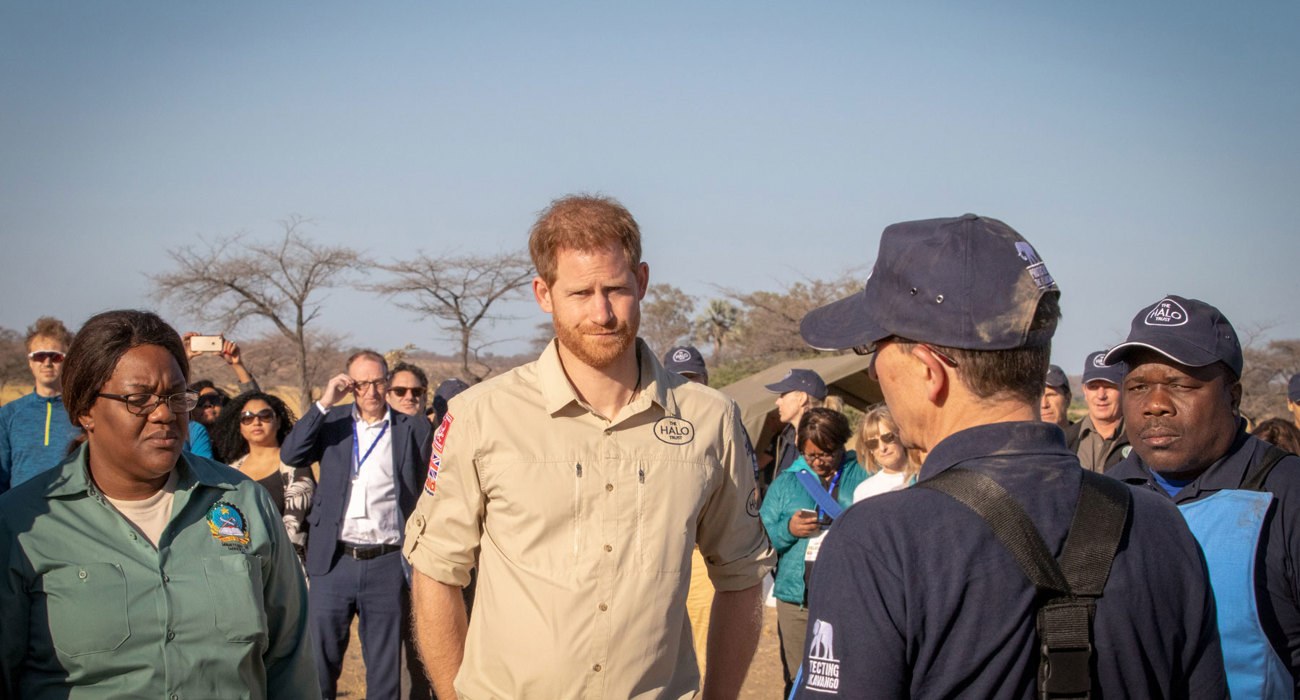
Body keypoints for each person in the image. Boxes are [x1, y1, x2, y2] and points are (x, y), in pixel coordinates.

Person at [794, 214, 1225, 698]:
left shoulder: (878, 540)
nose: (872, 371)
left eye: (874, 346)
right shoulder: (1160, 525)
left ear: (928, 369)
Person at [404, 194, 774, 700]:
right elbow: (437, 572)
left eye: (617, 289)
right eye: (580, 293)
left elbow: (741, 574)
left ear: (642, 281)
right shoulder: (480, 416)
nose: (601, 313)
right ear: (543, 293)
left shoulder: (711, 419)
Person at [0, 309, 316, 698]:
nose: (164, 414)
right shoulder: (23, 524)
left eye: (175, 397)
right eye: (139, 399)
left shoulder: (243, 502)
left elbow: (290, 663)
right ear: (85, 410)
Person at [1105, 295, 1300, 698]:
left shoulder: (1286, 493)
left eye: (1180, 384)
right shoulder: (1103, 497)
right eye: (1138, 386)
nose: (1155, 405)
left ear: (1233, 395)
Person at [280, 349, 434, 700]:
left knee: (384, 672)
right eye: (362, 383)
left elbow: (430, 485)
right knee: (320, 665)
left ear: (387, 381)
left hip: (387, 563)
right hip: (333, 560)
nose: (371, 391)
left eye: (378, 382)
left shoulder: (412, 428)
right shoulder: (332, 421)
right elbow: (291, 454)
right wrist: (323, 402)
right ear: (350, 385)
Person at [759, 407, 865, 698]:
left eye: (826, 454)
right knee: (798, 680)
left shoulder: (864, 475)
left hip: (852, 599)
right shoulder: (786, 483)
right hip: (796, 602)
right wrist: (788, 529)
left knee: (849, 680)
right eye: (810, 455)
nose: (818, 462)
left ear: (842, 443)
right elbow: (761, 541)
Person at [662, 344, 715, 680]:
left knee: (705, 648)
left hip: (703, 557)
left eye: (693, 379)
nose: (688, 388)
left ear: (706, 379)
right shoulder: (645, 428)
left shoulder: (724, 423)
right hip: (658, 556)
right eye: (678, 380)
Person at [211, 391, 315, 562]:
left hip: (287, 566)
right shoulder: (231, 471)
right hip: (242, 568)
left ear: (278, 421)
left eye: (265, 415)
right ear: (240, 425)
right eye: (247, 417)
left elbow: (295, 528)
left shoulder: (295, 466)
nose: (256, 422)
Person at [0, 317, 79, 493]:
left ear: (67, 361)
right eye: (40, 356)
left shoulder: (82, 412)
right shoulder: (8, 414)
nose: (47, 363)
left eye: (56, 356)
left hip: (70, 513)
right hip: (21, 514)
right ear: (30, 361)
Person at [1064, 350, 1130, 472]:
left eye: (1109, 386)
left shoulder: (1139, 439)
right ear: (1084, 390)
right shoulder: (1065, 441)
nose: (1101, 395)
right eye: (1093, 387)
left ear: (1124, 388)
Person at [765, 369, 827, 483]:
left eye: (783, 395)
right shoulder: (788, 436)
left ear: (802, 398)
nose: (777, 402)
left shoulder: (823, 440)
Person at [851, 404, 919, 502]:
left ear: (901, 435)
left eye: (888, 438)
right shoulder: (863, 492)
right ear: (869, 450)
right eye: (873, 443)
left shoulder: (924, 475)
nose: (882, 448)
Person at [1038, 364, 1071, 430]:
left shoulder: (1086, 438)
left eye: (1051, 395)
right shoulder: (1022, 439)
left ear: (1068, 398)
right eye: (1038, 396)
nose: (1044, 405)